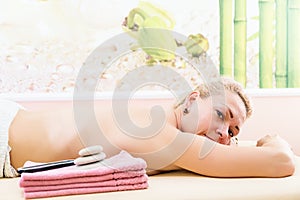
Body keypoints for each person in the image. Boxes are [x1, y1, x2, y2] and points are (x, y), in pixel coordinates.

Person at [1, 77, 295, 178]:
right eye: (221, 114)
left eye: (232, 132)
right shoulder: (158, 134)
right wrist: (274, 140)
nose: (223, 132)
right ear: (192, 100)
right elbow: (282, 162)